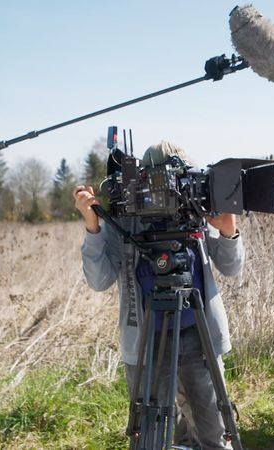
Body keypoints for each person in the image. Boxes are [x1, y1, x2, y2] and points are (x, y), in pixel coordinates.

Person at [73, 141, 244, 450]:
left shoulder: (194, 210)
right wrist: (92, 225)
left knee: (212, 433)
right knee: (149, 438)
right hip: (146, 338)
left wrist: (228, 231)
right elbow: (98, 281)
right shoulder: (126, 217)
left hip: (198, 334)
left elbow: (231, 268)